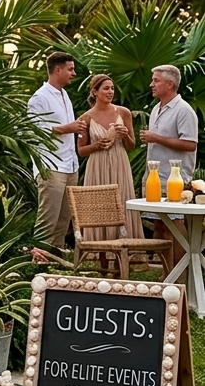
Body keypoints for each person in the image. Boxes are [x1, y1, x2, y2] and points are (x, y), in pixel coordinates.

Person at [140, 64, 199, 264]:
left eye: (156, 80)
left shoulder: (184, 110)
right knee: (159, 224)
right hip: (155, 177)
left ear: (170, 84)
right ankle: (166, 276)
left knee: (174, 223)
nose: (151, 85)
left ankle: (180, 275)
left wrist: (156, 138)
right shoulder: (157, 108)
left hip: (175, 177)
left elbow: (190, 144)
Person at [27, 52, 85, 248]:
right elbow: (35, 130)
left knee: (63, 220)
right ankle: (37, 264)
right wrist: (69, 128)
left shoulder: (64, 94)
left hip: (70, 164)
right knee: (48, 218)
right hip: (50, 165)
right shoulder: (39, 98)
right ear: (57, 70)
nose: (74, 73)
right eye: (70, 69)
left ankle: (54, 261)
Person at [76, 74, 141, 240]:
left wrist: (125, 135)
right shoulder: (85, 118)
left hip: (119, 161)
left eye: (112, 88)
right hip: (97, 165)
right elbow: (81, 150)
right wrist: (96, 146)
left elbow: (131, 146)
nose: (110, 91)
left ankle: (126, 248)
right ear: (95, 91)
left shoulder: (124, 113)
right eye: (106, 88)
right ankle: (101, 251)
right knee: (99, 206)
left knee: (121, 200)